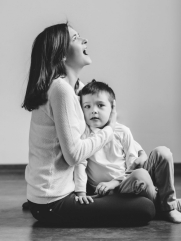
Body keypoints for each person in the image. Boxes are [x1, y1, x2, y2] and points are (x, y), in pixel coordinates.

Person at [21, 22, 155, 226]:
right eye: (76, 38)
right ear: (61, 55)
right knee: (146, 207)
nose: (85, 40)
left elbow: (103, 125)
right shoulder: (60, 90)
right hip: (53, 201)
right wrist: (109, 130)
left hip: (59, 190)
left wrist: (136, 148)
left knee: (138, 190)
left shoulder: (77, 89)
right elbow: (74, 155)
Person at [74, 80, 181, 224]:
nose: (93, 110)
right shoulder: (84, 134)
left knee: (162, 153)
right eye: (87, 106)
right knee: (141, 175)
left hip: (123, 180)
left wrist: (115, 182)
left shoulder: (122, 131)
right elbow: (80, 163)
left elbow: (133, 166)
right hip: (111, 191)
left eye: (100, 105)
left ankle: (169, 207)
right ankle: (166, 205)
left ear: (112, 108)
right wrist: (80, 192)